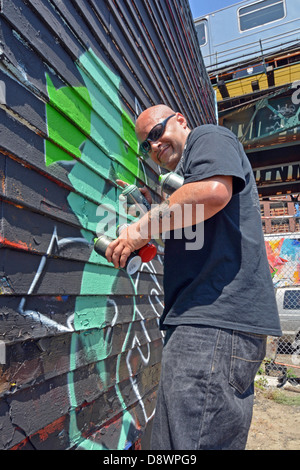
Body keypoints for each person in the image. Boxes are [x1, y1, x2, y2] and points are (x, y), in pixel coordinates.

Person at [105, 104, 282, 450]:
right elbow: (196, 216)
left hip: (211, 324)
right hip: (217, 327)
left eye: (156, 133)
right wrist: (148, 214)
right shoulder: (183, 186)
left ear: (181, 122)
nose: (154, 147)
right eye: (146, 145)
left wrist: (138, 229)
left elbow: (212, 192)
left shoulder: (209, 136)